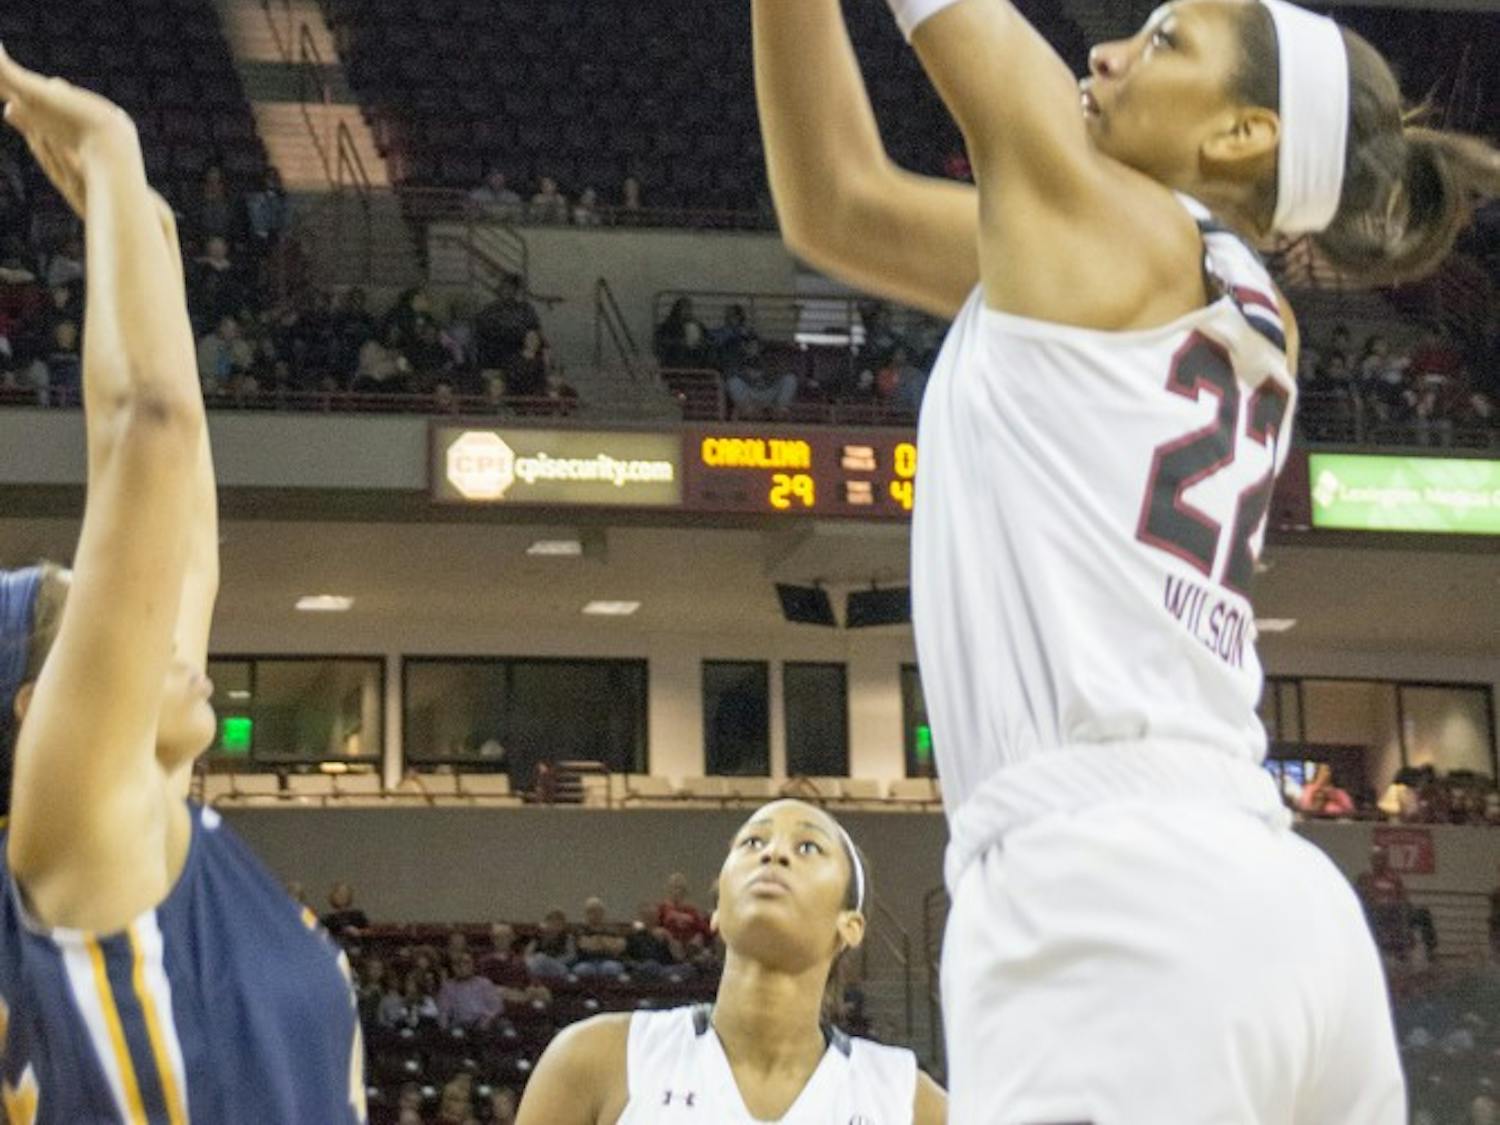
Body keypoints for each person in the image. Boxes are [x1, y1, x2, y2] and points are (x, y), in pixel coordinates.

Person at [753, 0, 1500, 1117]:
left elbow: (956, 28)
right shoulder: (1219, 288)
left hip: (1112, 895)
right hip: (1275, 908)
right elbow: (837, 204)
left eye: (1163, 41)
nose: (1104, 53)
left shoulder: (1109, 226)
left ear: (1244, 134)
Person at [0, 53, 365, 1120]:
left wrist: (144, 227)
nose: (163, 617)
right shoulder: (74, 833)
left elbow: (180, 483)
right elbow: (148, 435)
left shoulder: (159, 829)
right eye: (120, 624)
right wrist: (112, 143)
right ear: (42, 712)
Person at [518, 801, 946, 1123]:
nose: (773, 854)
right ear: (718, 910)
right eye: (754, 841)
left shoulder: (910, 1102)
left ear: (850, 926)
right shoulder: (596, 1059)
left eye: (808, 846)